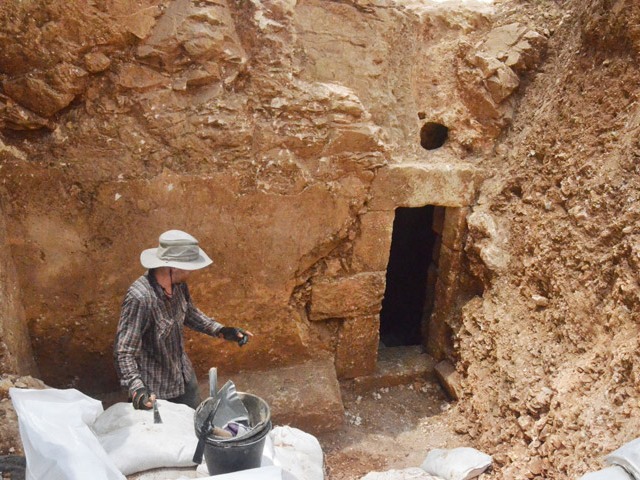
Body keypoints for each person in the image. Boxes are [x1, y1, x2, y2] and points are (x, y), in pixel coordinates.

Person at [114, 229, 252, 410]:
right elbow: (124, 351)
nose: (192, 272)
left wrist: (221, 330)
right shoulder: (140, 297)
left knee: (194, 428)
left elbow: (190, 314)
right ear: (174, 267)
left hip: (184, 378)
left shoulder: (179, 286)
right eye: (190, 267)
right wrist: (136, 389)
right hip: (156, 391)